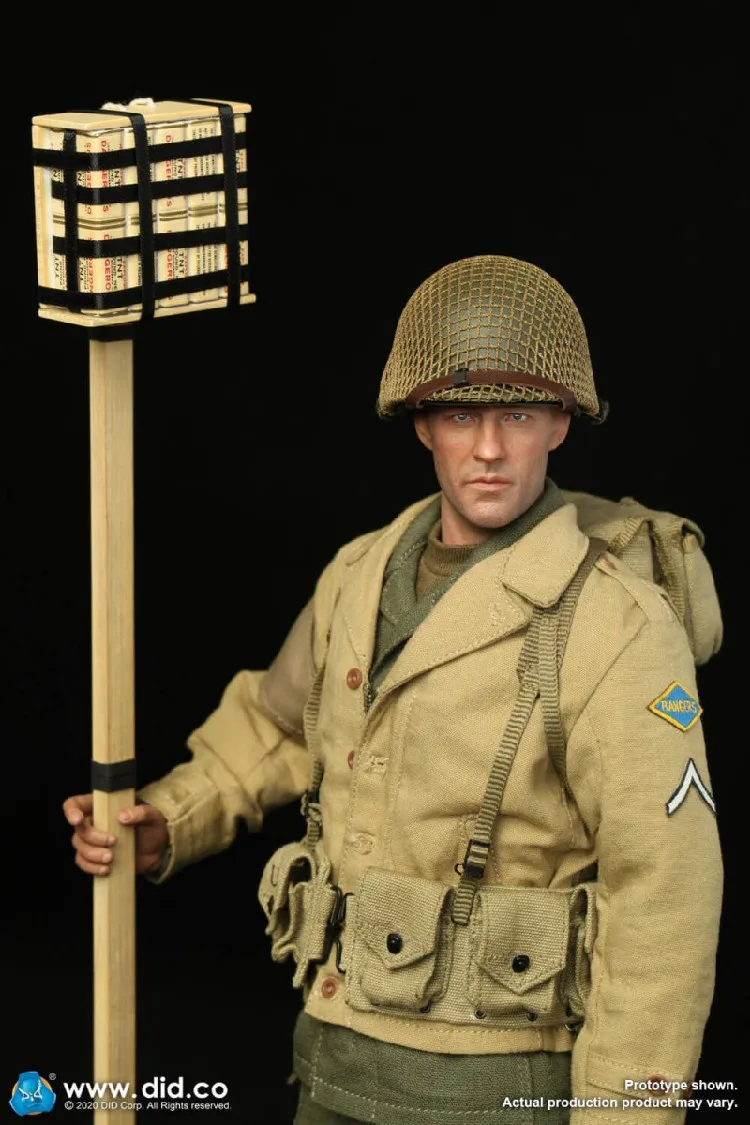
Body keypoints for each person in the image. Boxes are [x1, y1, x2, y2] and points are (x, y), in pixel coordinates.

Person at [64, 255, 723, 1125]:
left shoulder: (615, 623)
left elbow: (665, 897)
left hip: (495, 1088)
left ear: (561, 421)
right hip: (333, 1053)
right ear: (421, 424)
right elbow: (284, 724)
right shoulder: (362, 572)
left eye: (518, 414)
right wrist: (171, 818)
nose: (489, 448)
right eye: (460, 414)